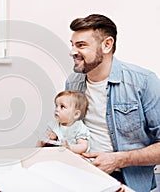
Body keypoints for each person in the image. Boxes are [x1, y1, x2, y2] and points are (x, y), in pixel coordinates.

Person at [66, 13, 160, 191]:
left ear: (107, 45)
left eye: (81, 45)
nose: (72, 52)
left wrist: (119, 159)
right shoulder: (72, 83)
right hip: (81, 176)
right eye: (72, 45)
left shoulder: (144, 82)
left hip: (126, 181)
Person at [37, 90, 90, 155]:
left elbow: (83, 146)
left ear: (76, 114)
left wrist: (70, 148)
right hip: (56, 156)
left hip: (73, 157)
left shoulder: (79, 128)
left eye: (62, 107)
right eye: (56, 106)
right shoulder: (53, 126)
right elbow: (39, 145)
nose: (57, 109)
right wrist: (46, 140)